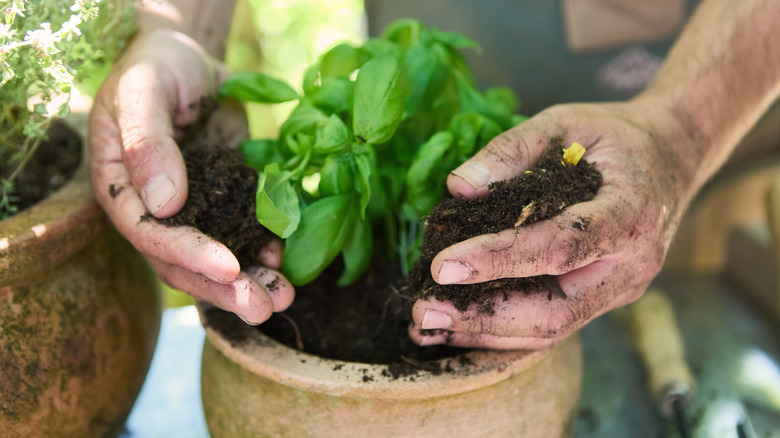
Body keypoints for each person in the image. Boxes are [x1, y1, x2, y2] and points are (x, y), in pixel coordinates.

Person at [89, 0, 780, 348]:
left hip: (722, 123)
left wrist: (683, 129)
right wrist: (178, 26)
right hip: (456, 107)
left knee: (717, 332)